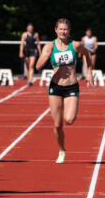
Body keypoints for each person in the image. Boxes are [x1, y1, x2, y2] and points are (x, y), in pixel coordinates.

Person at [36, 18, 94, 164]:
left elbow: (87, 55)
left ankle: (62, 148)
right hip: (55, 86)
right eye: (60, 29)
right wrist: (46, 56)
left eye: (65, 29)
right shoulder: (49, 46)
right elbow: (38, 66)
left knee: (69, 119)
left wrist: (89, 74)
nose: (63, 31)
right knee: (57, 125)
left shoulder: (75, 45)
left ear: (69, 31)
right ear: (56, 30)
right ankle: (62, 150)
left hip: (71, 86)